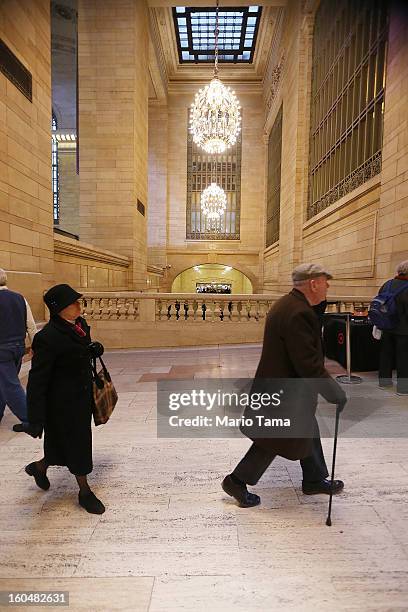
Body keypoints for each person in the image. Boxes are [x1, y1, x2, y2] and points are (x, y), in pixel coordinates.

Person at [222, 263, 347, 508]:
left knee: (306, 427)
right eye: (324, 281)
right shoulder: (298, 313)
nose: (328, 285)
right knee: (275, 438)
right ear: (313, 284)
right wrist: (335, 393)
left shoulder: (290, 305)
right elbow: (308, 364)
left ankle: (314, 477)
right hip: (286, 392)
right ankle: (236, 481)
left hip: (283, 387)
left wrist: (317, 310)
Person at [22, 284, 105, 514]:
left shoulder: (79, 325)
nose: (79, 305)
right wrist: (35, 417)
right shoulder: (47, 338)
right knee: (78, 444)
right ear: (59, 309)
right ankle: (85, 491)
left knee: (60, 443)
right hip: (61, 404)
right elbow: (38, 380)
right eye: (74, 302)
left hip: (80, 397)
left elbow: (79, 351)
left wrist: (94, 349)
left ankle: (39, 467)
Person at [0, 268, 37, 430]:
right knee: (4, 383)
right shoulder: (19, 298)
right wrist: (35, 346)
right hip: (18, 347)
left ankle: (31, 419)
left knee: (10, 385)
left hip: (2, 349)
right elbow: (31, 326)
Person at [378, 260, 408, 395]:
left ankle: (384, 382)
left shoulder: (387, 284)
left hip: (386, 326)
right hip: (403, 329)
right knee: (404, 358)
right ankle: (403, 388)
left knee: (386, 355)